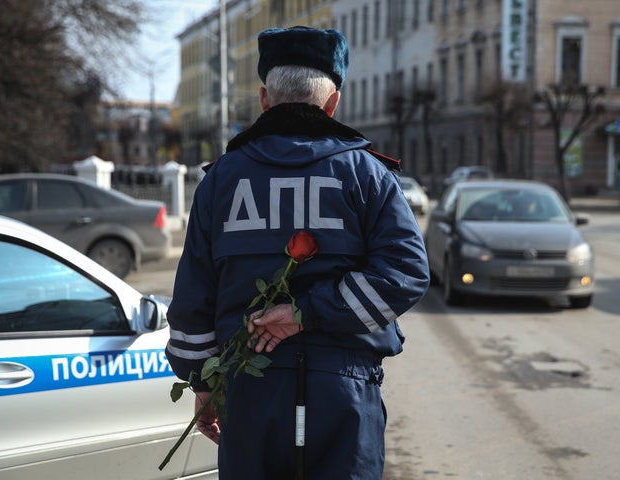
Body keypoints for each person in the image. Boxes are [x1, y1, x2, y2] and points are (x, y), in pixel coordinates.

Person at [165, 25, 429, 480]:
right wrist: (305, 314)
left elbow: (193, 298)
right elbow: (406, 272)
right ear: (333, 102)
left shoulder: (221, 180)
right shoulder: (368, 174)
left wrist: (204, 383)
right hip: (344, 394)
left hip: (248, 391)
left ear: (265, 98)